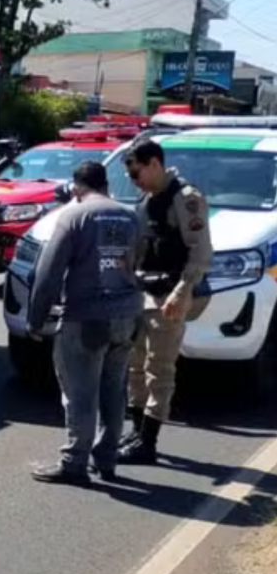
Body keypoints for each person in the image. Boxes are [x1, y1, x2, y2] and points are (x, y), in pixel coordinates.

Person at [28, 161, 144, 486]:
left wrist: (36, 319)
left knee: (80, 393)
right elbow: (141, 263)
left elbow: (48, 273)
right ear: (105, 184)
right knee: (114, 390)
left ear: (77, 187)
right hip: (127, 315)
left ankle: (74, 463)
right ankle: (107, 460)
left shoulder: (74, 215)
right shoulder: (130, 215)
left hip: (87, 318)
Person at [118, 139, 213, 465]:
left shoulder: (186, 199)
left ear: (155, 164)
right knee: (135, 364)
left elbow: (200, 251)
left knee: (159, 368)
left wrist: (183, 290)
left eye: (137, 173)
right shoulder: (148, 198)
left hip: (169, 294)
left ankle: (148, 442)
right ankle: (136, 430)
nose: (134, 180)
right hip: (143, 292)